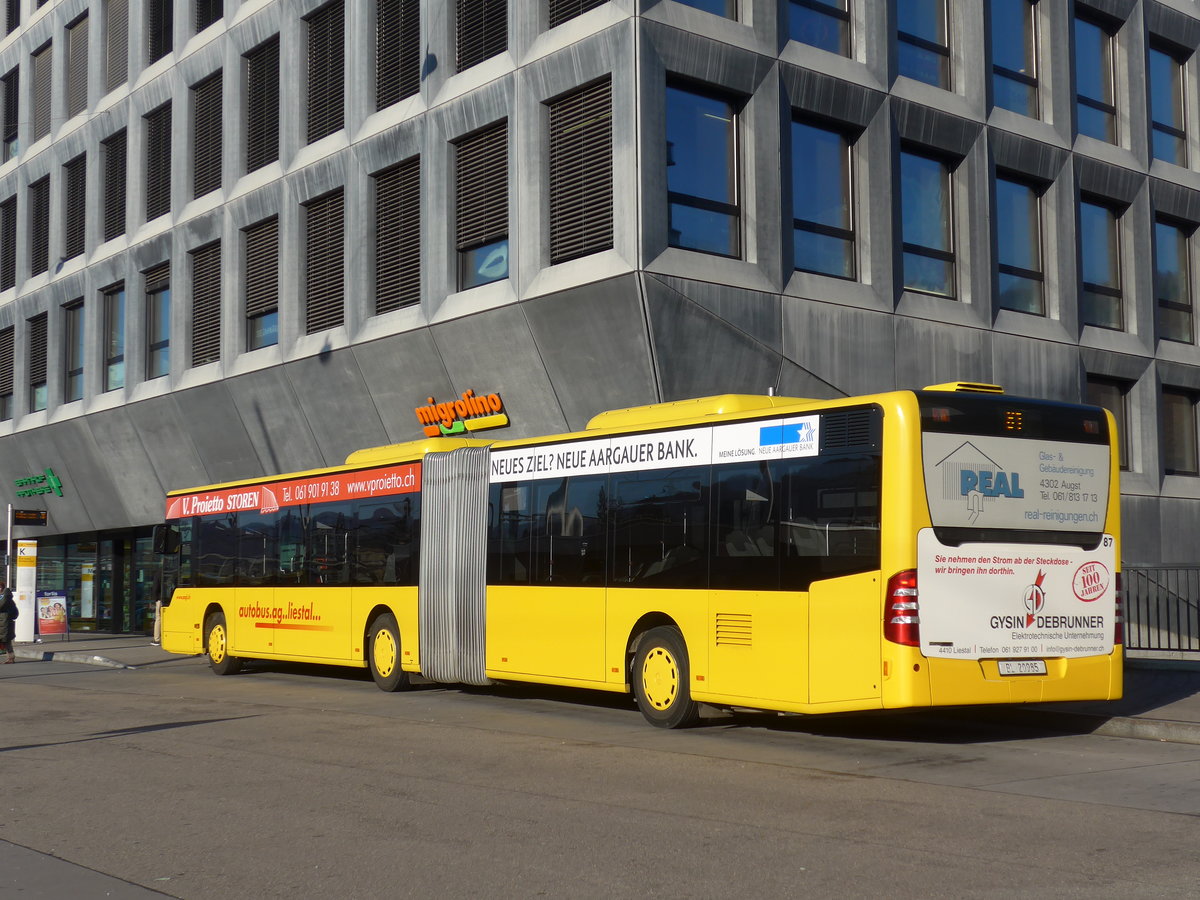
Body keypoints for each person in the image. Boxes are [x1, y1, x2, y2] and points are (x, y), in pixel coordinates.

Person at [0, 578, 18, 664]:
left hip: (4, 622)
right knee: (6, 641)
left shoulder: (5, 596)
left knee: (6, 640)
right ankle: (11, 657)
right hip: (3, 621)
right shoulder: (5, 597)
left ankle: (11, 658)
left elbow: (1, 605)